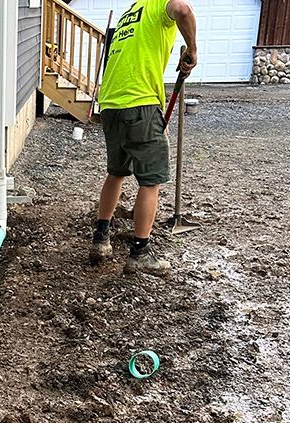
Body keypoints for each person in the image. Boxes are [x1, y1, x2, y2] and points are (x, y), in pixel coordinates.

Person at [90, 0, 198, 274]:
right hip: (140, 103)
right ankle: (140, 253)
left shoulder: (131, 14)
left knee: (116, 172)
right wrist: (193, 50)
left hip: (111, 104)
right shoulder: (159, 6)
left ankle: (101, 239)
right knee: (151, 180)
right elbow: (183, 10)